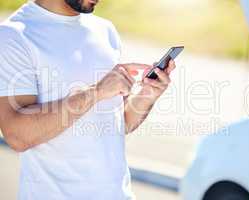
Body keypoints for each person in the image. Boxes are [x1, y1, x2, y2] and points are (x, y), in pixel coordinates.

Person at [0, 0, 176, 199]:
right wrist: (96, 92)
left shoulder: (105, 30)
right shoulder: (14, 35)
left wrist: (148, 95)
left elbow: (118, 125)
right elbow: (17, 136)